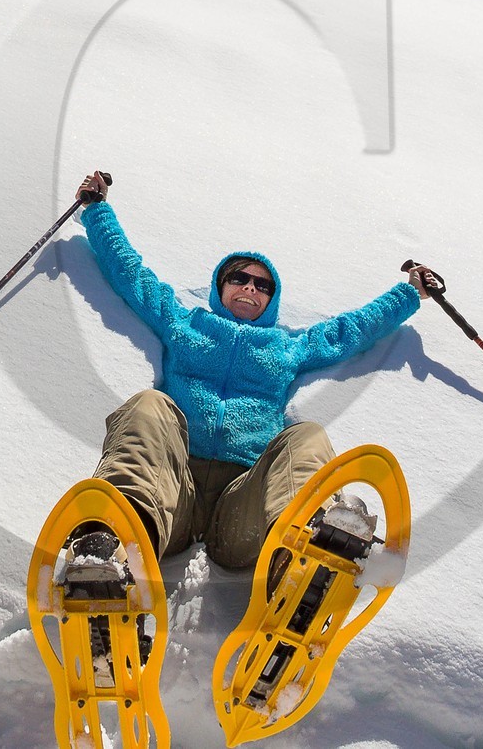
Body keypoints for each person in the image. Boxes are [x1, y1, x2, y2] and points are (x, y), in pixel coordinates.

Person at [62, 171, 439, 586]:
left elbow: (348, 331)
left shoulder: (285, 347)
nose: (249, 288)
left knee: (306, 435)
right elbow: (132, 275)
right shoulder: (184, 323)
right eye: (238, 278)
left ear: (271, 299)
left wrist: (408, 294)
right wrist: (97, 211)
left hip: (244, 507)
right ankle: (114, 543)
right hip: (170, 491)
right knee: (149, 406)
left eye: (261, 284)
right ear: (220, 287)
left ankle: (305, 554)